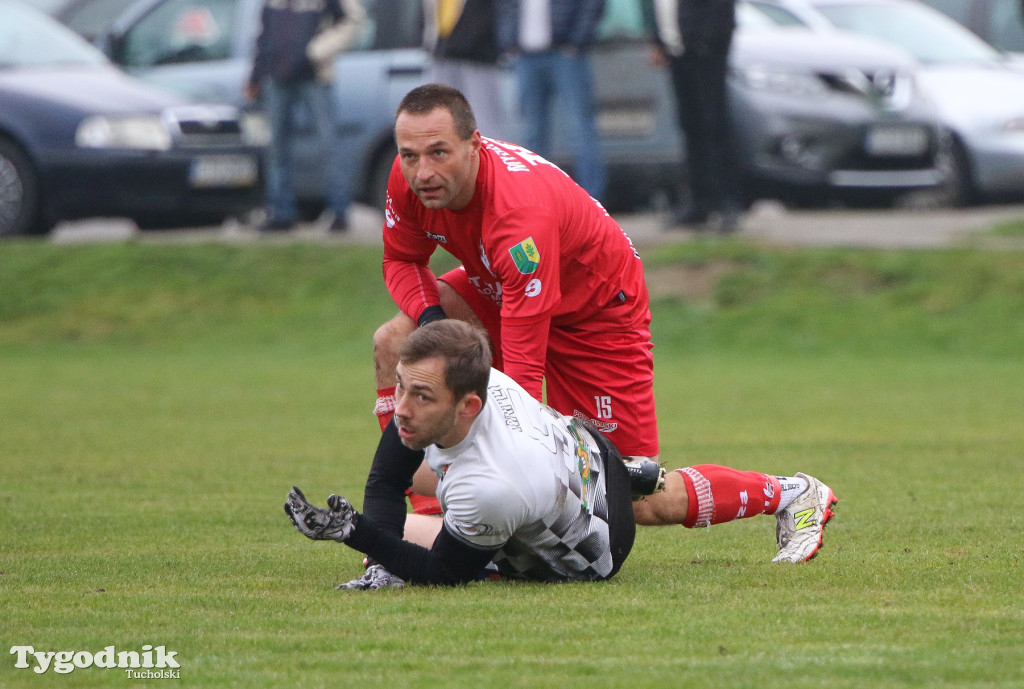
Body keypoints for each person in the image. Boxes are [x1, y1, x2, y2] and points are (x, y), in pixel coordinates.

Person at [285, 321, 837, 588]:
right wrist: (378, 551)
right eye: (400, 388)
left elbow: (442, 574)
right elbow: (387, 476)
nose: (401, 408)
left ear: (468, 405)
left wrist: (357, 535)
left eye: (420, 396)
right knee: (412, 506)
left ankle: (794, 492)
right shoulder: (476, 377)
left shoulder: (491, 486)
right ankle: (775, 488)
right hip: (584, 451)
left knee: (430, 527)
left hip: (597, 544)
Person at [245, 0, 365, 232]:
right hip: (277, 75)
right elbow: (264, 30)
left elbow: (353, 18)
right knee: (277, 147)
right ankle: (280, 213)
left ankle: (339, 211)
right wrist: (256, 74)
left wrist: (317, 51)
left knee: (328, 144)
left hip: (314, 76)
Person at [495, 0, 608, 201]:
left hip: (566, 54)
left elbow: (592, 5)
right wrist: (509, 40)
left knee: (579, 129)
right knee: (531, 132)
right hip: (526, 56)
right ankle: (534, 200)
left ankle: (592, 200)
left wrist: (577, 41)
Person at [646, 0, 741, 233]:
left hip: (705, 51)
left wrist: (706, 40)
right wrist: (658, 41)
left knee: (715, 124)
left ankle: (727, 202)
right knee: (690, 125)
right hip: (677, 52)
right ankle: (699, 203)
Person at [423, 0, 508, 139]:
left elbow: (486, 17)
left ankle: (485, 150)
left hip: (477, 57)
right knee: (445, 115)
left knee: (482, 118)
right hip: (444, 53)